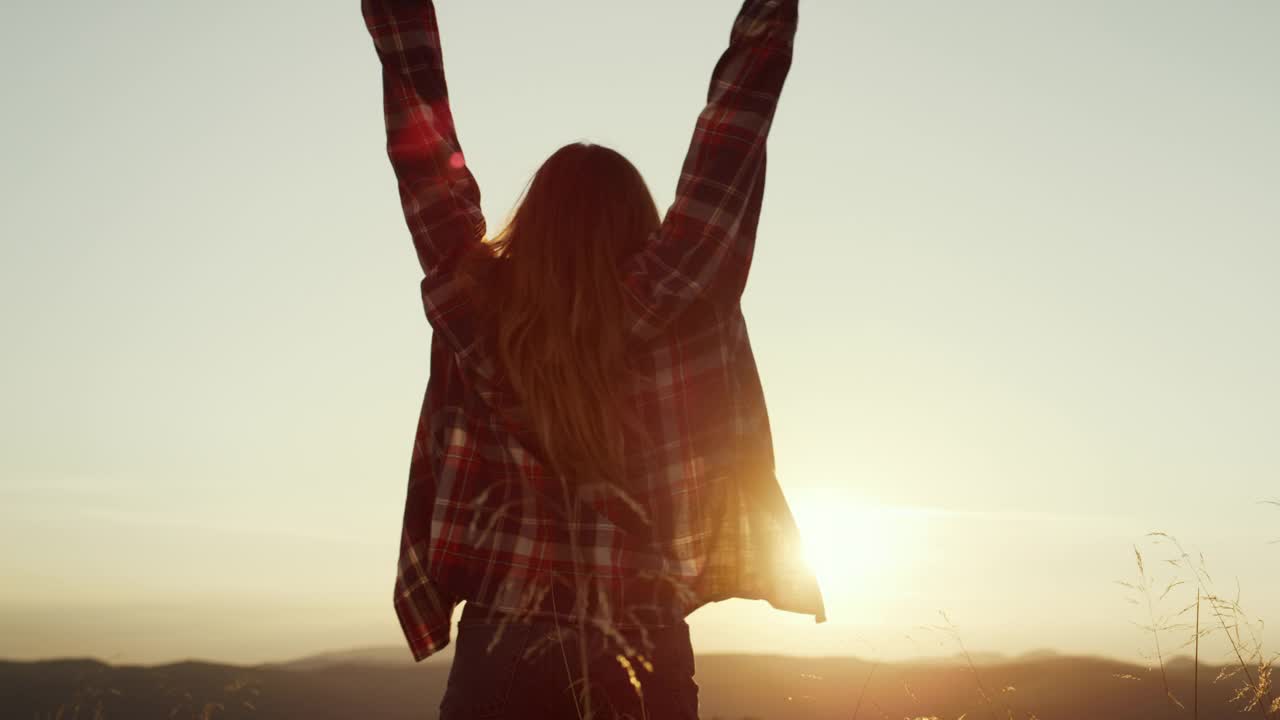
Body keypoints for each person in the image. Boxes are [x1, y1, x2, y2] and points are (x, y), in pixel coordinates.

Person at [361, 0, 824, 717]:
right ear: (637, 221)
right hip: (641, 648)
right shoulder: (681, 296)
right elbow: (737, 122)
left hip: (499, 649)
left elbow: (418, 128)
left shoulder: (477, 306)